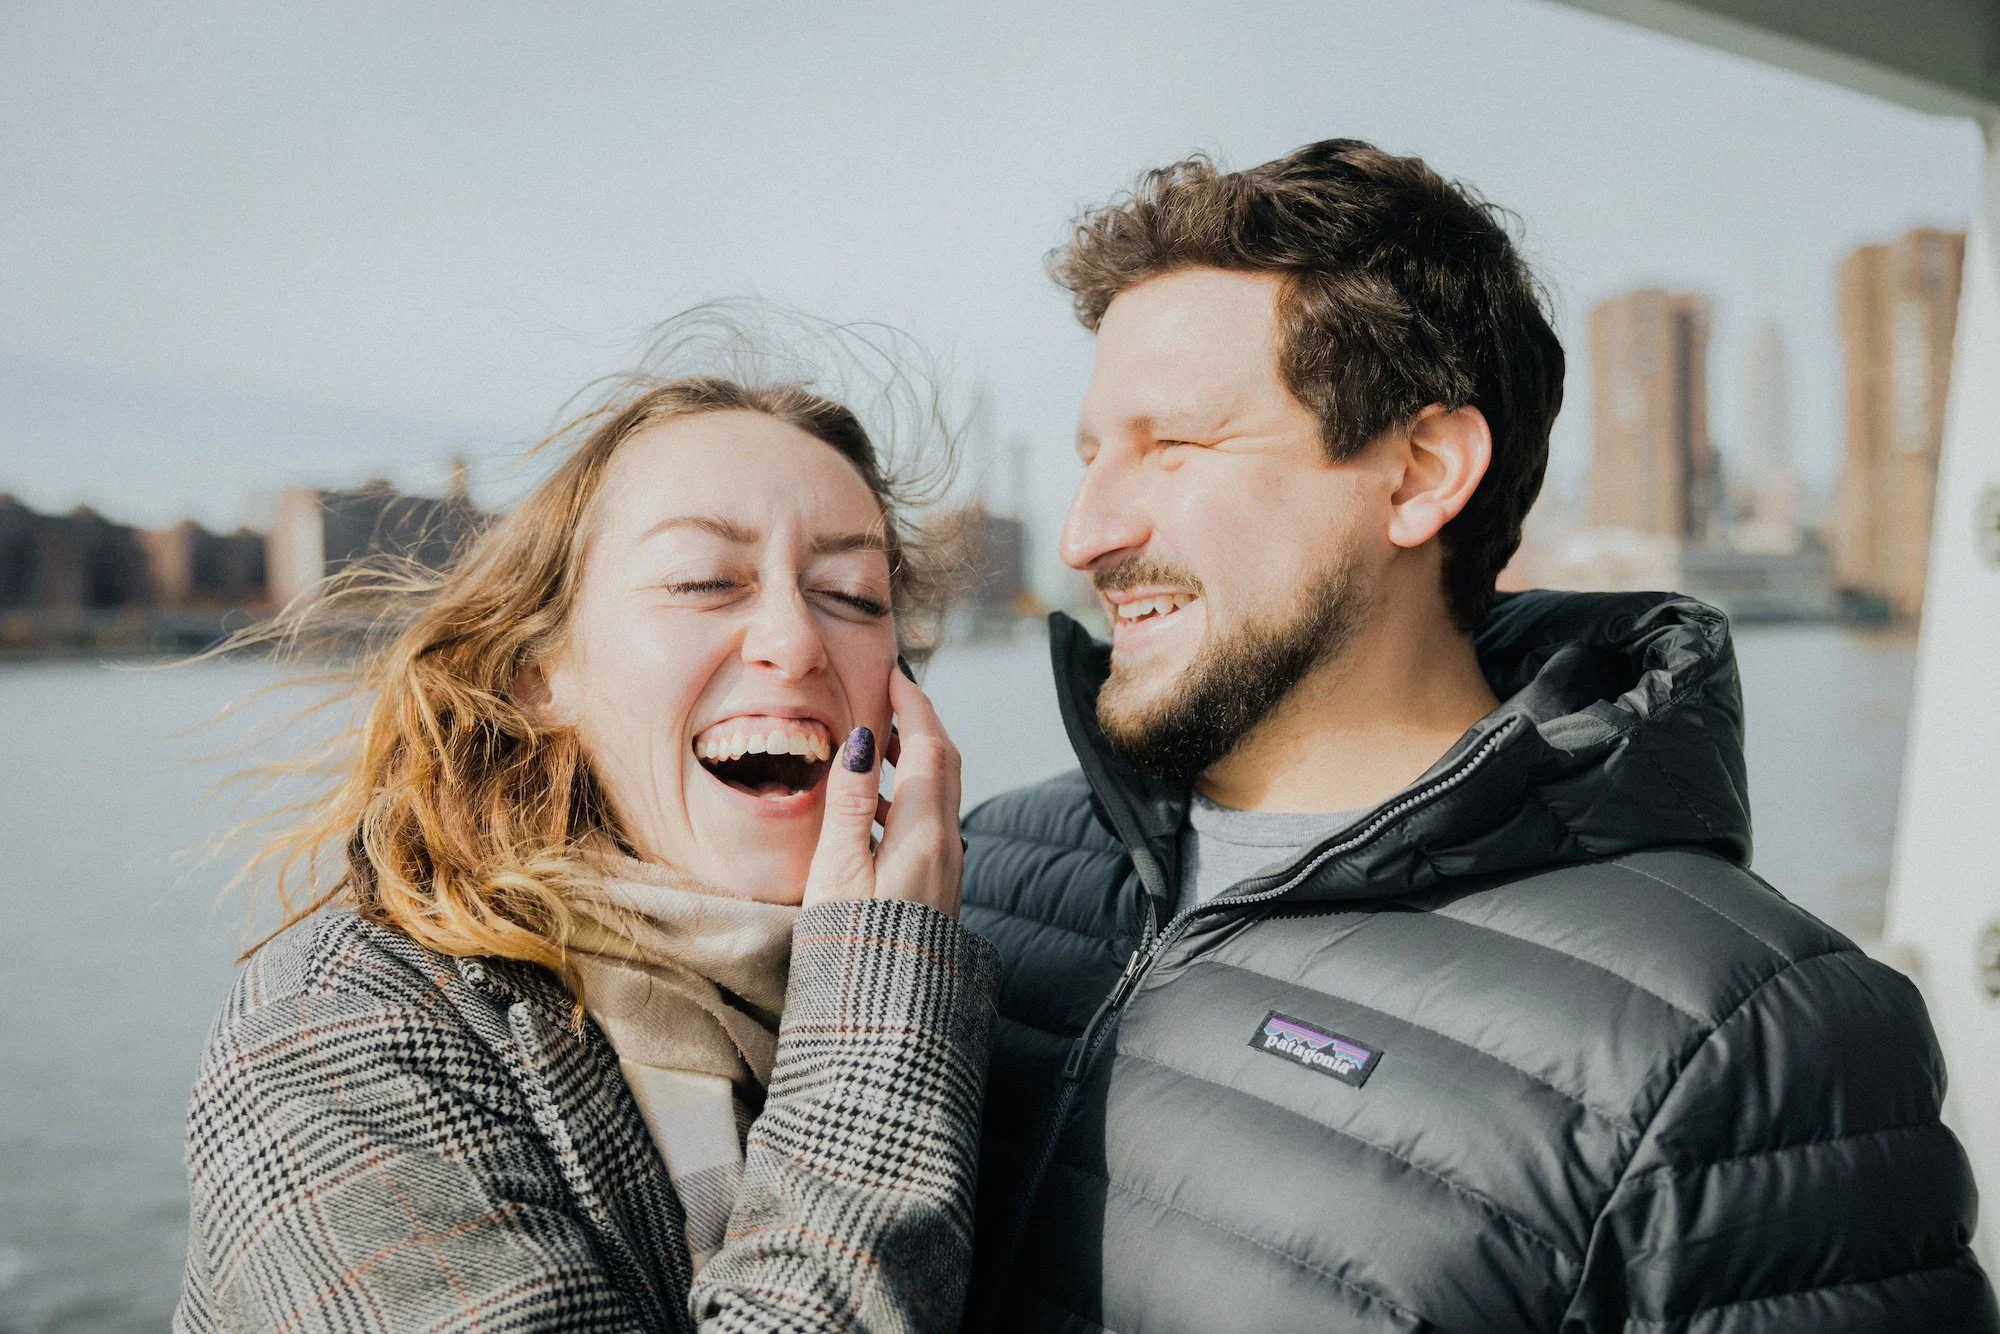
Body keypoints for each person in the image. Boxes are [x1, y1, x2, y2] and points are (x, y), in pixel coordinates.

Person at [960, 141, 1998, 1332]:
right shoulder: (983, 869)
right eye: (1093, 452)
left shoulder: (1750, 1040)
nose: (1085, 531)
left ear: (1418, 473)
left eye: (1174, 445)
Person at [175, 372, 998, 1333]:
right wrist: (879, 1016)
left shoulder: (961, 979)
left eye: (853, 594)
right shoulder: (333, 1034)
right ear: (539, 675)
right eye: (704, 582)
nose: (795, 639)